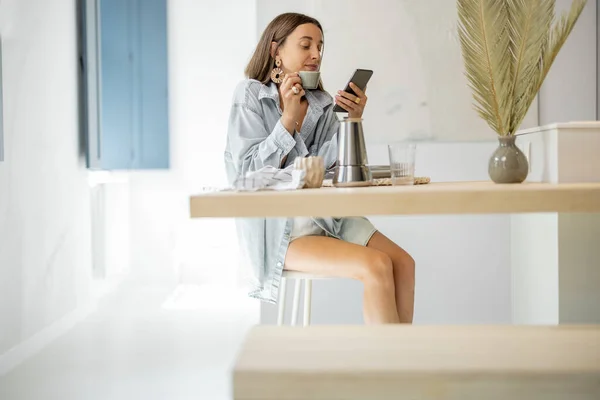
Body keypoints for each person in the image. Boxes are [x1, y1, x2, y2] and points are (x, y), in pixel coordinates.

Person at [224, 12, 415, 324]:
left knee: (403, 263)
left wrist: (350, 121)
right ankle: (387, 369)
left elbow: (335, 170)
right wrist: (287, 121)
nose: (316, 54)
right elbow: (247, 174)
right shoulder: (251, 95)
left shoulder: (324, 104)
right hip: (282, 229)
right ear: (276, 52)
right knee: (377, 266)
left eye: (320, 47)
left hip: (328, 216)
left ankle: (401, 366)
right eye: (305, 45)